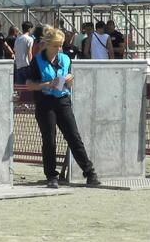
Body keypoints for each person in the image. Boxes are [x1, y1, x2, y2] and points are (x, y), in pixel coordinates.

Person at [26, 26, 101, 188]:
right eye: (56, 45)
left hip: (62, 101)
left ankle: (89, 172)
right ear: (47, 44)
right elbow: (29, 85)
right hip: (45, 103)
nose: (59, 48)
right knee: (49, 139)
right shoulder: (37, 60)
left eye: (61, 45)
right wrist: (47, 84)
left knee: (74, 137)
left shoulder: (65, 59)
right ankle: (52, 176)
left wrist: (69, 79)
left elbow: (70, 81)